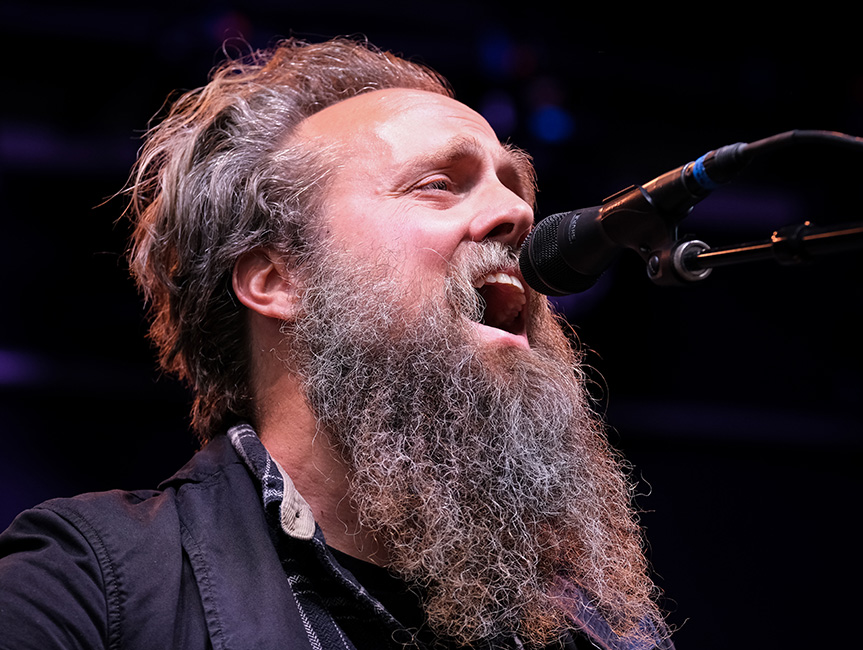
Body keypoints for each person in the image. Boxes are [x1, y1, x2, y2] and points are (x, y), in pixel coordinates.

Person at [0, 37, 672, 650]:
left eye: (514, 185)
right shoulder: (85, 590)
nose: (521, 213)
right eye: (439, 184)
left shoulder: (604, 636)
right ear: (278, 279)